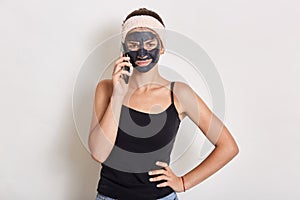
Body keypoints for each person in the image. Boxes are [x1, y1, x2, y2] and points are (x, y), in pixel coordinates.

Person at [88, 8, 239, 200]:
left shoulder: (179, 94)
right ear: (124, 48)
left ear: (161, 47)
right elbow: (98, 154)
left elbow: (228, 146)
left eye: (150, 43)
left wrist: (184, 182)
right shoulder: (106, 89)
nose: (142, 52)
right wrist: (118, 96)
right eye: (134, 44)